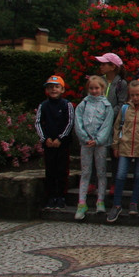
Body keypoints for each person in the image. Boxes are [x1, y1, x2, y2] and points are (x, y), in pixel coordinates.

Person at [107, 80, 139, 222]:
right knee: (121, 175)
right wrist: (115, 145)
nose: (135, 98)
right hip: (125, 147)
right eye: (132, 95)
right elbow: (117, 128)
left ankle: (134, 203)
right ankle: (116, 204)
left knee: (138, 176)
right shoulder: (125, 109)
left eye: (137, 95)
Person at [73, 75, 114, 220]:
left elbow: (107, 125)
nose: (94, 91)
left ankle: (100, 200)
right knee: (86, 172)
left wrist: (98, 140)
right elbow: (78, 122)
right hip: (86, 143)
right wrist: (84, 138)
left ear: (102, 89)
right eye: (91, 88)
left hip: (100, 144)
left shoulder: (107, 106)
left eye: (97, 88)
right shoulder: (82, 105)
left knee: (101, 172)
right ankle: (81, 202)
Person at [36, 75, 74, 210]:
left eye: (56, 87)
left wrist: (60, 138)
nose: (53, 89)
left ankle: (61, 196)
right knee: (50, 170)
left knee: (62, 170)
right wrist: (45, 139)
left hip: (62, 144)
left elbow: (70, 123)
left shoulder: (67, 105)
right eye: (51, 87)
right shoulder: (43, 105)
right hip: (48, 143)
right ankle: (51, 196)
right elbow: (38, 122)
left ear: (62, 89)